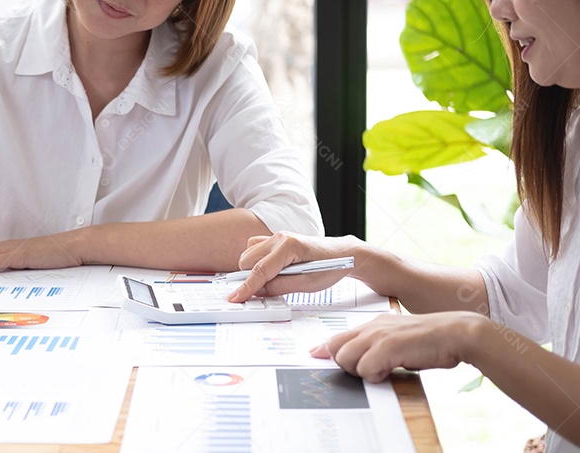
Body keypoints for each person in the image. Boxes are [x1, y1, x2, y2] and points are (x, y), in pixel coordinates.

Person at [0, 0, 323, 322]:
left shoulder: (220, 65)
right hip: (0, 343)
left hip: (150, 360)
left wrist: (70, 247)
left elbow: (294, 226)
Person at [228, 0, 580, 448]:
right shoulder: (572, 132)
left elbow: (494, 321)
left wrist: (470, 338)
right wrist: (360, 258)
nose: (497, 8)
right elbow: (510, 296)